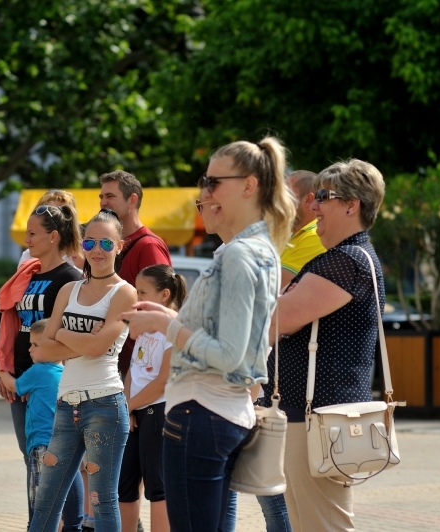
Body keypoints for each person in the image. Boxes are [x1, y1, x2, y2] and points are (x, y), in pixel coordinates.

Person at [120, 137, 295, 531]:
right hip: (220, 412)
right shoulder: (261, 248)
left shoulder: (239, 253)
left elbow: (230, 353)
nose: (205, 192)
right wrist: (167, 319)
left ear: (249, 185)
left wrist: (165, 325)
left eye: (214, 182)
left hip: (201, 412)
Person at [262, 159, 387, 532]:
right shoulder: (343, 259)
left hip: (321, 419)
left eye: (323, 198)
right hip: (316, 417)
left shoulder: (346, 261)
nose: (312, 206)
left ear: (352, 205)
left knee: (324, 525)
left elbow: (273, 321)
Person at [29, 209, 137, 532]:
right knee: (46, 497)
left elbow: (97, 348)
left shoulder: (125, 293)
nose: (97, 251)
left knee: (102, 499)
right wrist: (80, 339)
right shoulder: (69, 291)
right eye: (90, 243)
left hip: (105, 404)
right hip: (66, 403)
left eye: (106, 242)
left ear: (120, 246)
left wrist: (59, 333)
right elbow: (43, 351)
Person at [0, 202, 84, 530]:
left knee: (59, 460)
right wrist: (5, 369)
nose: (27, 239)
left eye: (33, 233)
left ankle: (68, 524)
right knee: (32, 455)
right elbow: (14, 322)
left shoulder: (69, 278)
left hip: (51, 383)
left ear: (53, 237)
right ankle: (40, 522)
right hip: (22, 376)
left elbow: (70, 336)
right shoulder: (30, 274)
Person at [118, 265, 186, 532]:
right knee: (125, 483)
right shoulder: (145, 327)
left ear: (164, 295)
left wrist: (128, 406)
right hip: (135, 413)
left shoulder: (175, 329)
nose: (136, 297)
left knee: (158, 488)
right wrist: (128, 405)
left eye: (142, 292)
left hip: (159, 414)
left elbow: (163, 382)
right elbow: (133, 372)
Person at [99, 171, 171, 378]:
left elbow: (160, 307)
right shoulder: (109, 245)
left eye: (110, 196)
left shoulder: (148, 246)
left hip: (140, 369)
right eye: (101, 197)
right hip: (117, 365)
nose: (103, 202)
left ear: (132, 200)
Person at [0, 319, 67, 525]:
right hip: (62, 444)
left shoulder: (39, 371)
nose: (29, 350)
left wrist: (1, 371)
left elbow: (15, 386)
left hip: (40, 445)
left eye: (36, 345)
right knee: (58, 497)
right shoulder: (65, 373)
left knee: (41, 500)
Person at [280, 170, 326, 289]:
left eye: (285, 195)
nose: (278, 201)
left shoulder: (315, 236)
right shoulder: (292, 233)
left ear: (308, 200)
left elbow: (271, 288)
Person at [18, 189, 83, 270]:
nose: (55, 217)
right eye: (49, 211)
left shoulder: (87, 249)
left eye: (61, 212)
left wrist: (84, 266)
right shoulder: (28, 255)